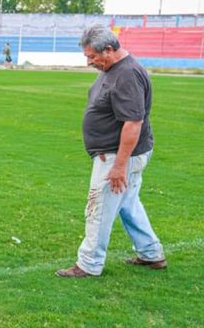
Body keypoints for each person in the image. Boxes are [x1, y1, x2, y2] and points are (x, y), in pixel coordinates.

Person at [56, 24, 166, 278]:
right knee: (128, 204)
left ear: (109, 49)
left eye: (92, 57)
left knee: (99, 205)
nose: (89, 62)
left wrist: (119, 166)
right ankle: (151, 254)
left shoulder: (127, 75)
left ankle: (89, 263)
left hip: (118, 155)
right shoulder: (114, 69)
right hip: (117, 153)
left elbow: (133, 123)